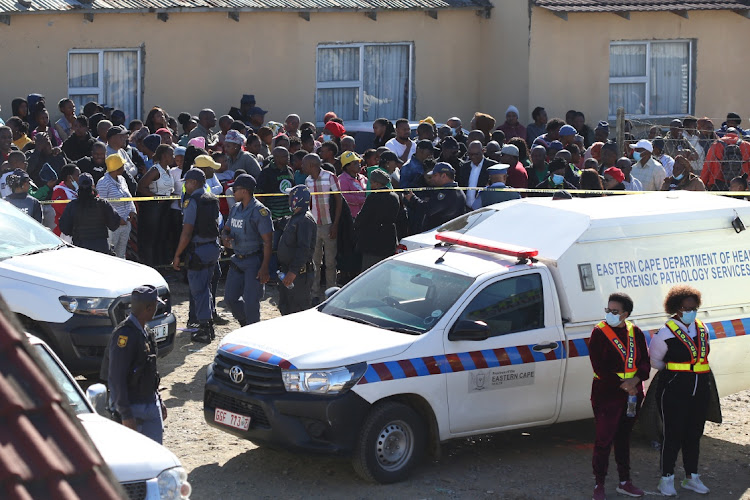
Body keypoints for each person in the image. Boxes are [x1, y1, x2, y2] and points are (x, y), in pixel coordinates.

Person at [650, 285, 713, 497]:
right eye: (687, 308)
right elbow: (656, 362)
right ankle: (666, 479)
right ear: (676, 309)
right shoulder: (664, 333)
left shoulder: (702, 328)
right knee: (672, 435)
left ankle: (691, 477)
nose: (691, 311)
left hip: (700, 388)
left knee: (694, 434)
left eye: (694, 307)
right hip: (674, 390)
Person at [589, 293, 649, 500]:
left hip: (632, 394)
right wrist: (624, 385)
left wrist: (636, 381)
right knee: (604, 440)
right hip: (607, 393)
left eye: (615, 312)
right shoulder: (599, 333)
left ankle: (625, 481)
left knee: (624, 438)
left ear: (625, 314)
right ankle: (599, 483)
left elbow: (645, 362)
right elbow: (599, 366)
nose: (610, 315)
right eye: (608, 310)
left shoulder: (635, 332)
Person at [103, 285, 166, 443]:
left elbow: (150, 370)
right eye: (155, 306)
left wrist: (159, 398)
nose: (156, 309)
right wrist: (125, 414)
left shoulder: (146, 333)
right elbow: (116, 377)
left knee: (156, 456)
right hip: (133, 407)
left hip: (150, 403)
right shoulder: (124, 335)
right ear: (148, 308)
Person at [173, 168, 222, 342]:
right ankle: (208, 326)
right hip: (213, 248)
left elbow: (187, 232)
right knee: (206, 287)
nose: (185, 185)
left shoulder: (192, 201)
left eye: (187, 182)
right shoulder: (212, 199)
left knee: (198, 290)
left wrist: (177, 255)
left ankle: (204, 328)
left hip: (199, 250)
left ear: (194, 182)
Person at [221, 174, 272, 327]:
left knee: (251, 302)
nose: (233, 193)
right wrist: (225, 237)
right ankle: (246, 325)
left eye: (235, 189)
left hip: (253, 261)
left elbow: (268, 242)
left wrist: (264, 268)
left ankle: (252, 328)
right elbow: (226, 229)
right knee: (230, 298)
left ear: (244, 191)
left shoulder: (260, 211)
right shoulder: (236, 209)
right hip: (237, 259)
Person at [303, 153, 342, 301]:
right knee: (315, 262)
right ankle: (314, 293)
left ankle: (331, 292)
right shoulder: (307, 181)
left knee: (330, 262)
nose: (303, 167)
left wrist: (335, 224)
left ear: (312, 165)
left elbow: (339, 200)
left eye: (305, 164)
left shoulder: (330, 177)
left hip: (328, 224)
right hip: (314, 225)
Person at [276, 185, 317, 315]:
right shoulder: (295, 217)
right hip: (289, 271)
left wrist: (293, 272)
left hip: (299, 275)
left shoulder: (305, 220)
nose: (289, 200)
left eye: (291, 197)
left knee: (297, 311)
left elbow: (304, 249)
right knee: (286, 307)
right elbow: (278, 222)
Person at [59, 173, 121, 253]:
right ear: (92, 186)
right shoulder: (102, 204)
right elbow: (114, 224)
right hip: (101, 247)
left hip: (81, 247)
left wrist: (76, 232)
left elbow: (65, 228)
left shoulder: (72, 205)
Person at [354, 169, 400, 270]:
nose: (371, 185)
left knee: (369, 271)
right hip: (388, 239)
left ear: (377, 183)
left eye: (372, 182)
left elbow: (362, 218)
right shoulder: (395, 197)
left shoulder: (373, 198)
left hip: (372, 241)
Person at [137, 144, 175, 266]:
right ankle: (150, 264)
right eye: (171, 154)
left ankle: (161, 264)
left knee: (161, 235)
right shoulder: (155, 170)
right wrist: (155, 197)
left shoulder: (168, 170)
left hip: (165, 206)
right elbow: (141, 186)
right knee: (151, 237)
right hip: (154, 207)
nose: (173, 157)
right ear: (164, 156)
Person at [405, 162, 466, 232]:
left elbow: (428, 209)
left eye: (435, 175)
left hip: (440, 235)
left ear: (443, 175)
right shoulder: (458, 191)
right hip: (448, 233)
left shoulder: (446, 193)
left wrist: (413, 199)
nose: (432, 178)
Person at [459, 140, 495, 209]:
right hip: (466, 210)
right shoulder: (464, 167)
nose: (473, 157)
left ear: (483, 151)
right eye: (470, 154)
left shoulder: (491, 166)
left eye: (476, 154)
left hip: (484, 208)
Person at [338, 151, 367, 218]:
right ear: (347, 167)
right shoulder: (342, 180)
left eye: (359, 162)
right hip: (351, 217)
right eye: (355, 163)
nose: (359, 165)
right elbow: (345, 196)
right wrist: (364, 199)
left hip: (365, 215)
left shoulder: (363, 178)